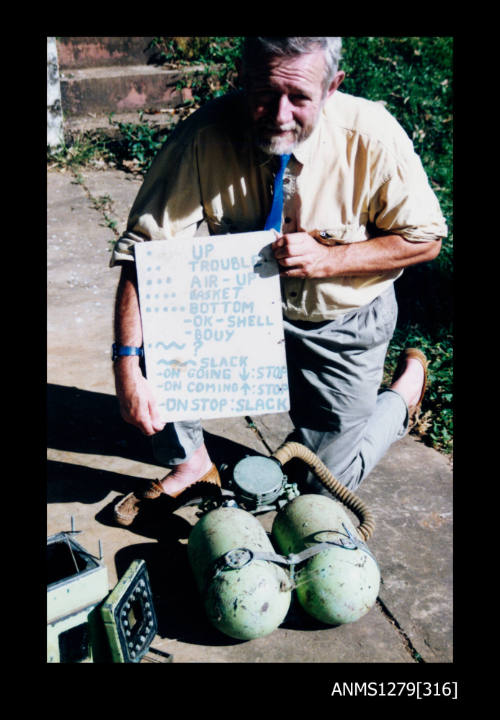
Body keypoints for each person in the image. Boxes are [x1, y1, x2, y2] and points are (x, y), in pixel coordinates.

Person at [110, 37, 447, 524]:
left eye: (300, 97)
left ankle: (402, 394)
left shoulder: (372, 136)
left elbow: (426, 239)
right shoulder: (204, 136)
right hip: (240, 309)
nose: (280, 114)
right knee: (150, 343)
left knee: (320, 485)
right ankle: (194, 466)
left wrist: (332, 260)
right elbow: (144, 254)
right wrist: (126, 365)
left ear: (333, 88)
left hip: (341, 320)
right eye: (265, 93)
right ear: (241, 80)